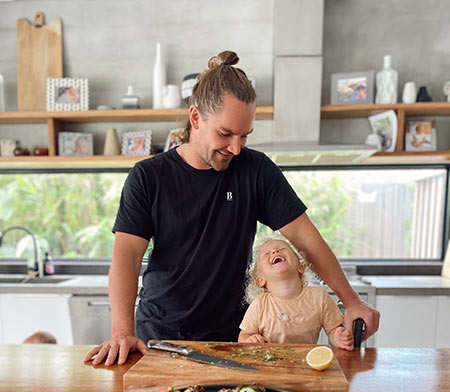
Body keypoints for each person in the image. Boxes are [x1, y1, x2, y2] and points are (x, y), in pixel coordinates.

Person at [84, 50, 379, 367]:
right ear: (196, 118)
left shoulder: (255, 170)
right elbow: (126, 256)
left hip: (236, 341)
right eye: (225, 134)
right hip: (163, 339)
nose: (235, 148)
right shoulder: (148, 177)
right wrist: (121, 332)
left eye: (244, 136)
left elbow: (307, 239)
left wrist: (351, 301)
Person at [238, 237, 354, 350]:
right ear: (260, 280)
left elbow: (333, 330)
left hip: (307, 365)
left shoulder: (320, 297)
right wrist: (251, 340)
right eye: (267, 253)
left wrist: (339, 337)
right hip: (271, 366)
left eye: (283, 249)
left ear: (301, 267)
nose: (275, 251)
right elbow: (243, 336)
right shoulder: (260, 304)